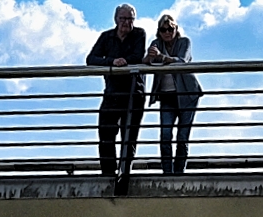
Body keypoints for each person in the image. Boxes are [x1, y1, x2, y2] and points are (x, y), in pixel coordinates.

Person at [87, 5, 149, 177]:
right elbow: (91, 59)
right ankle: (108, 173)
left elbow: (138, 56)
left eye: (130, 19)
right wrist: (113, 61)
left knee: (129, 136)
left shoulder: (139, 34)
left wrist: (124, 62)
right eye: (123, 19)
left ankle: (125, 174)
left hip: (133, 92)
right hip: (113, 92)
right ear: (116, 19)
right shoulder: (106, 37)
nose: (126, 23)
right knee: (106, 132)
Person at [146, 14, 202, 175]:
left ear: (176, 29)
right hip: (167, 96)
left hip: (187, 95)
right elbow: (146, 62)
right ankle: (167, 173)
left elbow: (182, 60)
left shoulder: (184, 42)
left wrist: (161, 57)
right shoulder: (156, 44)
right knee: (165, 135)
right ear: (159, 31)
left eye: (170, 29)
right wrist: (149, 57)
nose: (167, 32)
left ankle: (178, 174)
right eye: (163, 29)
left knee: (182, 137)